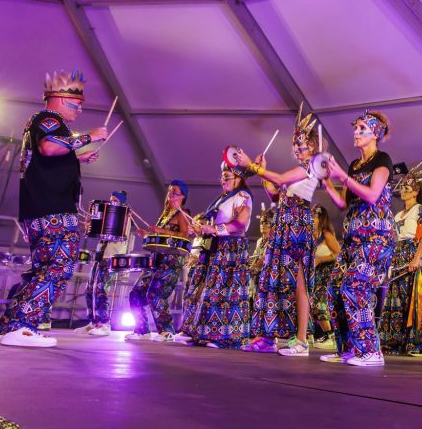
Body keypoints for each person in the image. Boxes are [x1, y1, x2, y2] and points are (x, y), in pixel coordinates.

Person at [0, 70, 106, 347]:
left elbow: (51, 155)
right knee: (58, 266)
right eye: (77, 105)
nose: (80, 109)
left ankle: (5, 326)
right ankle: (22, 326)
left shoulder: (41, 122)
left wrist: (79, 158)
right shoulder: (49, 119)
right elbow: (50, 148)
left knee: (43, 268)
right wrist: (88, 137)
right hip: (52, 210)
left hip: (40, 209)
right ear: (62, 100)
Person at [233, 109, 319, 356]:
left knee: (299, 282)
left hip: (299, 226)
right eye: (295, 144)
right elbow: (275, 194)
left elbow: (280, 179)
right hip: (283, 223)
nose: (296, 147)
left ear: (312, 145)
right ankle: (268, 336)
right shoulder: (299, 168)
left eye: (301, 143)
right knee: (273, 279)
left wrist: (252, 166)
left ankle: (301, 340)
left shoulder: (312, 165)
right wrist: (262, 172)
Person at [321, 110, 397, 367]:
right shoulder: (354, 165)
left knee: (355, 287)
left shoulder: (383, 160)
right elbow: (344, 203)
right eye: (356, 128)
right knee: (334, 289)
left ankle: (371, 350)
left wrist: (343, 177)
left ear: (375, 132)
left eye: (362, 128)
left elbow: (372, 195)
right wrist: (327, 184)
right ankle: (350, 349)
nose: (356, 132)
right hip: (353, 239)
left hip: (377, 238)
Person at [178, 162, 252, 349]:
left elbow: (241, 224)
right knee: (199, 287)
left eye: (227, 177)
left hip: (230, 248)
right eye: (222, 177)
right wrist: (202, 228)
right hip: (213, 245)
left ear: (238, 178)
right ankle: (193, 331)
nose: (222, 180)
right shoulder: (224, 197)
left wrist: (214, 228)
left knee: (221, 291)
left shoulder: (243, 196)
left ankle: (220, 336)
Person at [379, 165, 422, 357]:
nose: (404, 190)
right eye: (402, 187)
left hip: (415, 258)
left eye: (408, 187)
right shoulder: (397, 215)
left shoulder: (420, 211)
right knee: (398, 301)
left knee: (416, 301)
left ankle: (420, 345)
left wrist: (416, 259)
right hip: (399, 258)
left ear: (416, 191)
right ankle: (397, 343)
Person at [125, 181, 191, 342]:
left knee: (155, 294)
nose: (170, 195)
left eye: (174, 192)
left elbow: (184, 235)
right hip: (156, 261)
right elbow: (161, 239)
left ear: (182, 196)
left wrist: (161, 230)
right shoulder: (165, 215)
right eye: (169, 192)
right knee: (135, 293)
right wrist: (147, 234)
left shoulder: (182, 213)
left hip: (171, 261)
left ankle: (167, 331)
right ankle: (142, 330)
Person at [74, 190, 132, 337]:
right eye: (110, 200)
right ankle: (93, 321)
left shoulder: (123, 216)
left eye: (115, 201)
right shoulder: (107, 216)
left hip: (111, 258)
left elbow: (118, 235)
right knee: (90, 289)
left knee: (102, 289)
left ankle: (104, 323)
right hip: (100, 256)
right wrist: (90, 224)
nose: (111, 203)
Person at [311, 205, 340, 348]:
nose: (311, 219)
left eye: (314, 216)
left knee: (320, 302)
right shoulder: (312, 235)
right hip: (315, 273)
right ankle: (318, 334)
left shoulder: (327, 235)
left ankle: (331, 336)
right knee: (312, 303)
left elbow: (338, 253)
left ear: (320, 218)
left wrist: (321, 260)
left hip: (327, 273)